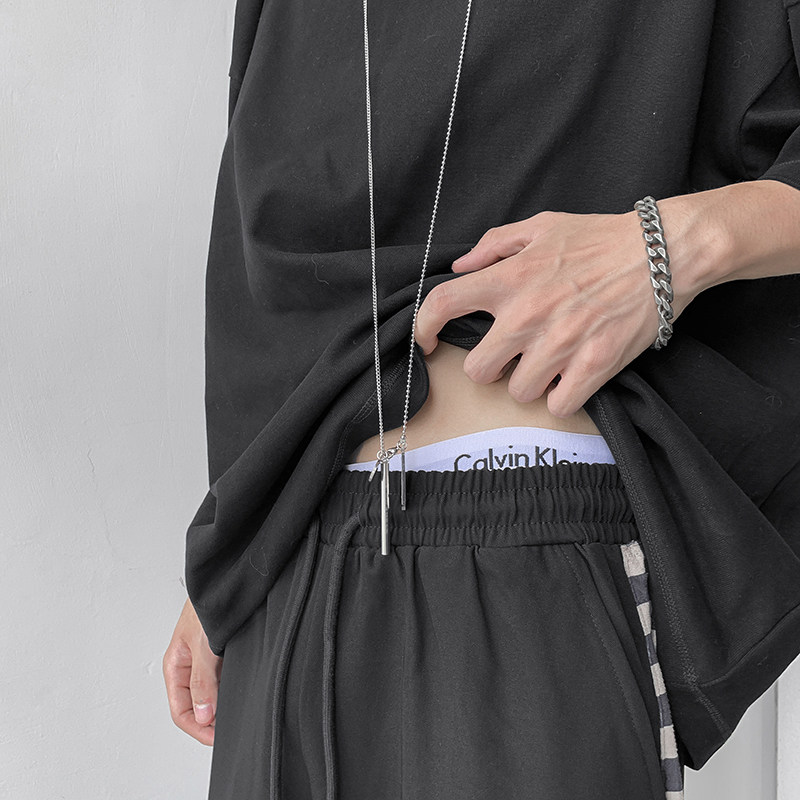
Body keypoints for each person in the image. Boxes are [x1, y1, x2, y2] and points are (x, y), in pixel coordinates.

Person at [163, 0, 800, 798]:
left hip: (528, 563)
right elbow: (259, 263)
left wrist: (667, 248)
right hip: (283, 569)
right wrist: (236, 528)